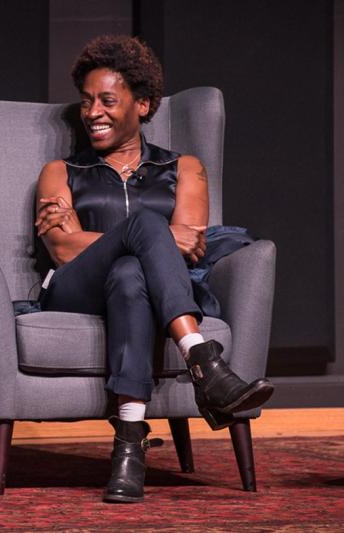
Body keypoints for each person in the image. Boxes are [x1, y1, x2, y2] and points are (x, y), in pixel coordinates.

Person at [34, 35, 274, 504]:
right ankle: (203, 361)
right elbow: (63, 250)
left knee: (130, 273)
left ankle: (129, 444)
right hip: (77, 289)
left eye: (107, 101)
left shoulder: (184, 168)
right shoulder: (60, 171)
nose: (93, 112)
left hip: (142, 290)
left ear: (142, 105)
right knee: (146, 228)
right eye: (86, 101)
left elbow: (190, 250)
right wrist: (154, 235)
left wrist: (121, 241)